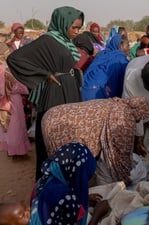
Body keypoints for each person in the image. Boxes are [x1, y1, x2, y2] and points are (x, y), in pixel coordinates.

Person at [7, 6, 84, 180]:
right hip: (55, 94)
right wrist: (44, 74)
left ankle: (66, 179)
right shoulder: (48, 40)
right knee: (52, 137)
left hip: (70, 91)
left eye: (79, 28)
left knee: (68, 135)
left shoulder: (65, 41)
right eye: (74, 27)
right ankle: (49, 182)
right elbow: (15, 59)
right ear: (62, 23)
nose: (77, 32)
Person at [41, 97, 149, 186]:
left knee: (55, 163)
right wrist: (125, 176)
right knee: (64, 166)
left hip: (53, 115)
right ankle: (64, 192)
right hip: (62, 125)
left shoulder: (119, 103)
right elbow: (120, 153)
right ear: (139, 111)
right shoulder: (124, 116)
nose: (140, 120)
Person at [29, 142, 110, 225]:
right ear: (78, 174)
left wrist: (84, 199)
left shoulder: (43, 181)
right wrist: (97, 214)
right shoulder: (65, 196)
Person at [82, 34, 130, 101]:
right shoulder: (120, 59)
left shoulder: (102, 54)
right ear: (120, 45)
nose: (129, 48)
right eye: (127, 45)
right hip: (98, 94)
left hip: (85, 89)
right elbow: (121, 85)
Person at [0, 64, 31, 158]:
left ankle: (11, 150)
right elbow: (21, 87)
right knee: (17, 126)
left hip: (4, 101)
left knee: (8, 127)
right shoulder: (10, 69)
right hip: (14, 100)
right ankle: (18, 151)